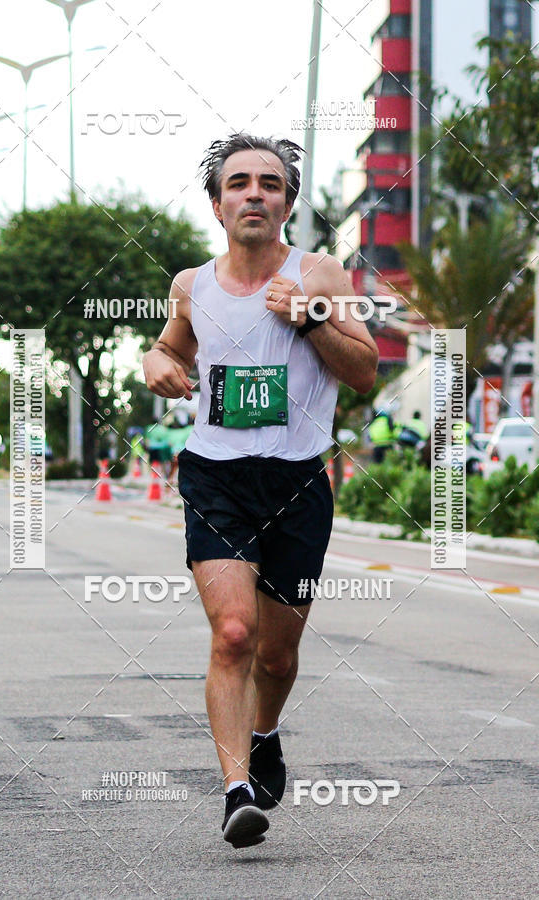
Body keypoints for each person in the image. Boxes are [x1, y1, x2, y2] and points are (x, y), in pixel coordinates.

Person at [142, 133, 378, 848]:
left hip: (298, 480)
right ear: (217, 206)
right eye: (239, 183)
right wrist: (155, 361)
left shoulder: (323, 273)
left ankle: (266, 732)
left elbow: (365, 370)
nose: (254, 193)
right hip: (216, 475)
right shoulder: (193, 285)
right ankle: (236, 790)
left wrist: (307, 318)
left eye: (269, 184)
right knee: (234, 633)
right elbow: (170, 347)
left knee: (276, 655)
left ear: (286, 204)